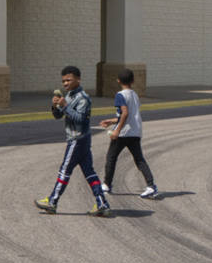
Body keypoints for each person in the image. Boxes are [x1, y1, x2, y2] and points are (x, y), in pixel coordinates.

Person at [34, 65, 111, 217]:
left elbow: (81, 120)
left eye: (68, 80)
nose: (65, 84)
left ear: (78, 79)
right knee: (89, 172)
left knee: (64, 170)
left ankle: (52, 201)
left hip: (78, 139)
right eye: (63, 81)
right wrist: (55, 105)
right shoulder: (68, 96)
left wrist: (65, 106)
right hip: (81, 140)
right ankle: (102, 203)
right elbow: (58, 116)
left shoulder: (83, 98)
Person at [99, 68, 158, 198]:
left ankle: (106, 184)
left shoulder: (120, 95)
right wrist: (111, 121)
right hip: (135, 132)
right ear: (132, 81)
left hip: (123, 133)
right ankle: (151, 185)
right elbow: (128, 115)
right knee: (139, 160)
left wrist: (116, 130)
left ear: (118, 80)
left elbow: (125, 113)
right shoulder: (135, 95)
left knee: (111, 158)